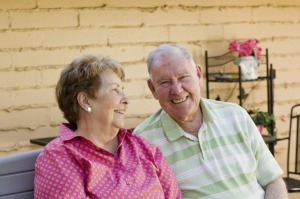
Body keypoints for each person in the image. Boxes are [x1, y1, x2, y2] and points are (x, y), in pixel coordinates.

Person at [134, 44, 288, 198]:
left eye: (183, 77)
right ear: (152, 88)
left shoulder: (235, 116)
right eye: (165, 82)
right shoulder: (143, 142)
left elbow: (273, 181)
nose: (177, 89)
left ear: (199, 75)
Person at [34, 54, 181, 198]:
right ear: (85, 101)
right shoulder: (59, 157)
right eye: (115, 90)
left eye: (122, 90)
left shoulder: (144, 149)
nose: (126, 100)